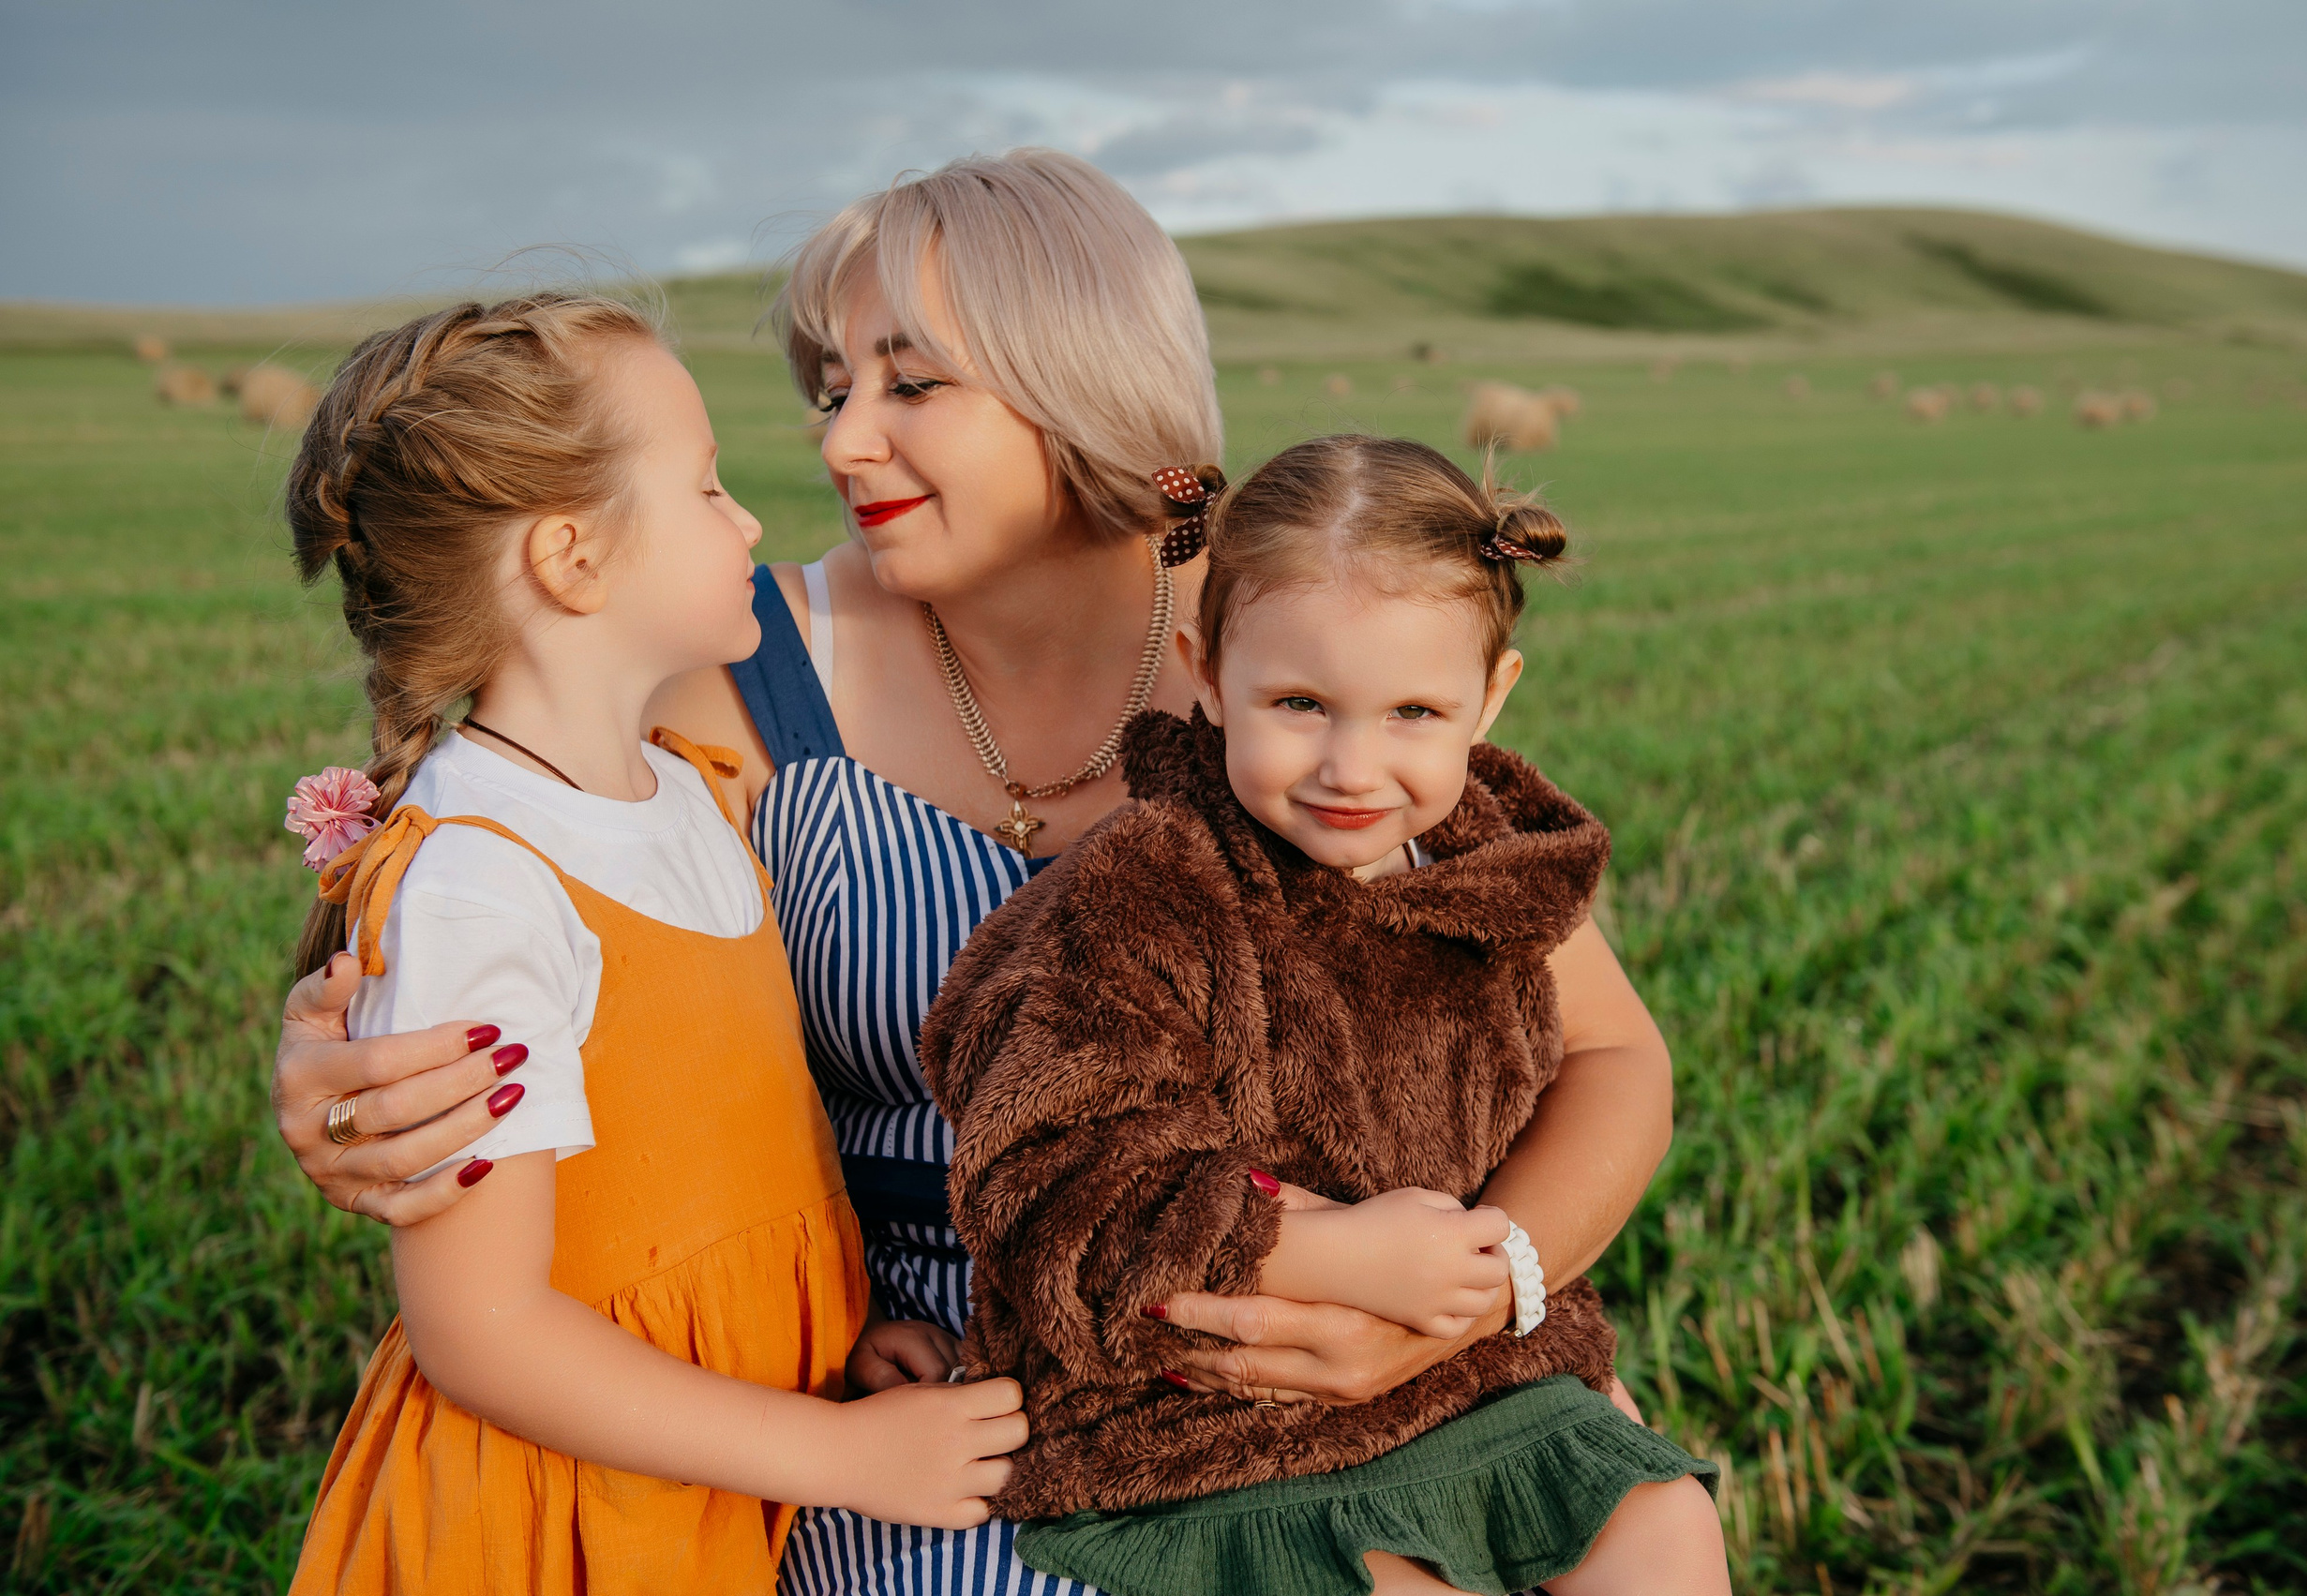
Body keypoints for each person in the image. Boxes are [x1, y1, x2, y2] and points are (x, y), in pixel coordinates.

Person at [266, 151, 1686, 1596]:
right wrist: (348, 1049)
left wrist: (1474, 1293)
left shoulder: (1299, 643)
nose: (840, 443)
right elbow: (509, 864)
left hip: (1359, 1329)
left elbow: (1613, 1052)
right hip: (945, 1398)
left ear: (1079, 379)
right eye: (831, 389)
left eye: (911, 383)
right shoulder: (742, 667)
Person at [275, 294, 1024, 1595]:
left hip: (699, 1470)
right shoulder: (483, 885)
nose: (748, 523)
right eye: (708, 486)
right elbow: (487, 1331)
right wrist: (841, 1458)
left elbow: (711, 1178)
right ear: (571, 557)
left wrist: (835, 1349)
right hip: (558, 1515)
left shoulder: (684, 791)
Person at [919, 435, 1725, 1596]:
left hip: (1467, 1373)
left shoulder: (1488, 859)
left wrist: (1497, 1280)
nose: (1353, 765)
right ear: (1206, 670)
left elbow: (1609, 1059)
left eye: (1412, 710)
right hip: (1213, 1426)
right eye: (1299, 703)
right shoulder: (1146, 894)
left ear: (1491, 696)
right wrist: (1328, 1248)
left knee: (1664, 1528)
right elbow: (1047, 1167)